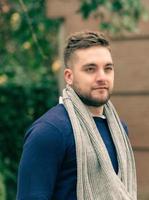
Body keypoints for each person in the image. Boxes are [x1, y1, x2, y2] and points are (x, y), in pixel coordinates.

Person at [17, 30, 137, 200]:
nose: (102, 77)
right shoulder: (49, 131)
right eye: (90, 69)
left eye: (108, 68)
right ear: (69, 76)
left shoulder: (120, 130)